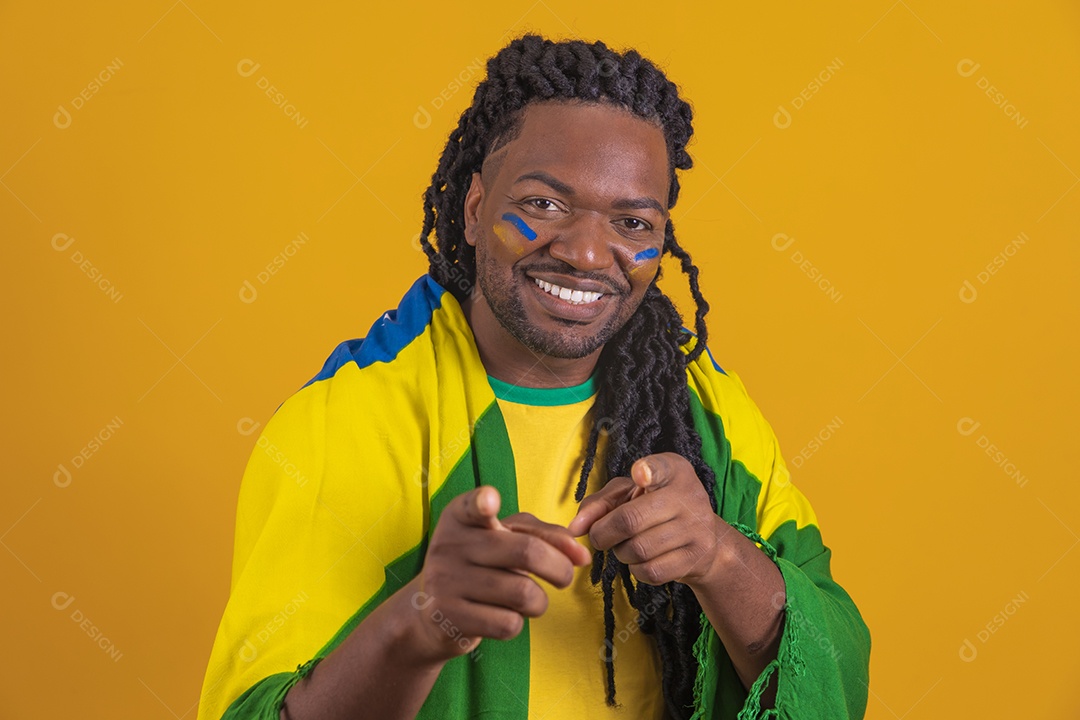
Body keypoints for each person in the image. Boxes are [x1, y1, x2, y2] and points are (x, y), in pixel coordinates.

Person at [197, 34, 871, 720]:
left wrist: (719, 559)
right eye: (544, 204)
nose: (584, 253)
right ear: (473, 207)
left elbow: (837, 680)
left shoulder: (709, 411)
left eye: (632, 221)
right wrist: (420, 626)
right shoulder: (345, 422)